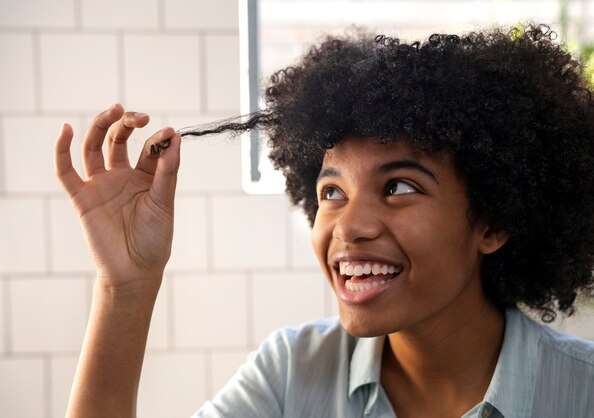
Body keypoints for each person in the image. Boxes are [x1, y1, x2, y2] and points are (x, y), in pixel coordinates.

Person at [56, 24, 594, 417]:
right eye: (331, 191)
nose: (349, 226)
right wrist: (124, 286)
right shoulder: (291, 374)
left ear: (492, 222)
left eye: (399, 187)